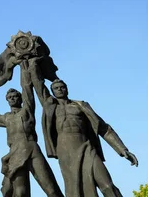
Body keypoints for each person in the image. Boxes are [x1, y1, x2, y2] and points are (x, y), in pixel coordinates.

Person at [29, 59, 138, 197]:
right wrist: (33, 63)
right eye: (56, 88)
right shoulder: (51, 106)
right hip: (66, 152)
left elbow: (103, 128)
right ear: (52, 91)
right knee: (75, 190)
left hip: (86, 147)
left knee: (107, 185)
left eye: (62, 87)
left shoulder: (80, 106)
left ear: (67, 89)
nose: (60, 89)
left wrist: (123, 150)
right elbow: (38, 84)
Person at [0, 61, 63, 197]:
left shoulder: (26, 111)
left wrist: (24, 68)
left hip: (32, 149)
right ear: (7, 101)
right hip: (16, 153)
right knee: (20, 192)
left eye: (15, 96)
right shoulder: (7, 117)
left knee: (50, 188)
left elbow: (27, 88)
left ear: (20, 99)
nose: (12, 99)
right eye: (9, 97)